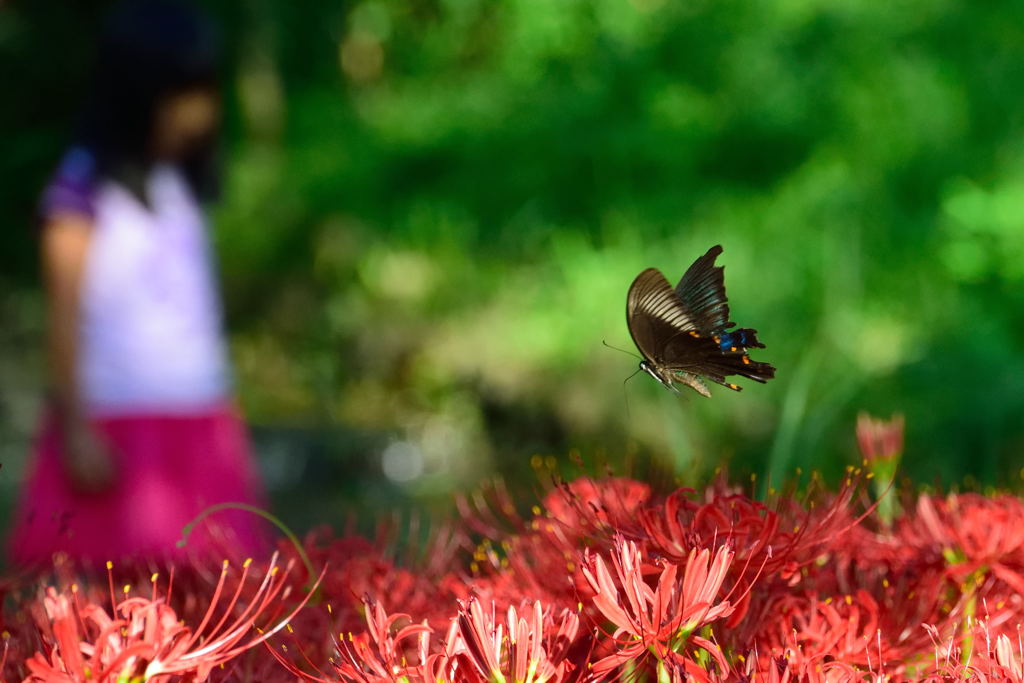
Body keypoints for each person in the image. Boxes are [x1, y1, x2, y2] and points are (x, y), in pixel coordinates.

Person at [9, 0, 267, 565]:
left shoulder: (179, 186)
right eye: (183, 96)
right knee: (114, 592)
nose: (201, 113)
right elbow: (64, 316)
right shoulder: (80, 193)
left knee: (219, 587)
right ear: (135, 94)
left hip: (199, 415)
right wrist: (75, 424)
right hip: (118, 422)